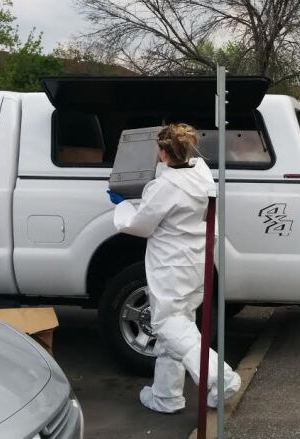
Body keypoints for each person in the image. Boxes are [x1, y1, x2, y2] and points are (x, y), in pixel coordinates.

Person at [107, 123, 241, 413]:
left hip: (170, 264)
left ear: (164, 153)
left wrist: (123, 206)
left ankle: (222, 378)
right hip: (195, 261)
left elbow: (140, 225)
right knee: (181, 325)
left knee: (167, 326)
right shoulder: (201, 171)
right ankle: (165, 396)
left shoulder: (164, 186)